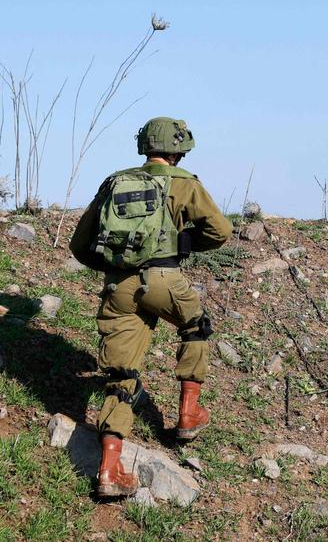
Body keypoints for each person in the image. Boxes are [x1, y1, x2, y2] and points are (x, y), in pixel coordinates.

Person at [70, 117, 232, 498]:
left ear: (144, 146)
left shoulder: (114, 182)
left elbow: (80, 245)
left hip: (119, 286)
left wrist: (114, 269)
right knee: (195, 327)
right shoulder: (185, 183)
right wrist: (184, 244)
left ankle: (110, 469)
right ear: (179, 150)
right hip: (165, 279)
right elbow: (220, 231)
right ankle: (188, 416)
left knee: (121, 373)